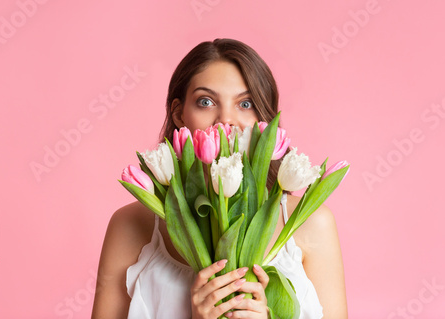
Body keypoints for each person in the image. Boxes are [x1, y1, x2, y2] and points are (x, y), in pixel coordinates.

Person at [91, 38, 347, 319]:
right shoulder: (131, 225)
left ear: (265, 118)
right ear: (179, 114)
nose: (226, 120)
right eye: (206, 102)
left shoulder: (313, 224)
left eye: (245, 103)